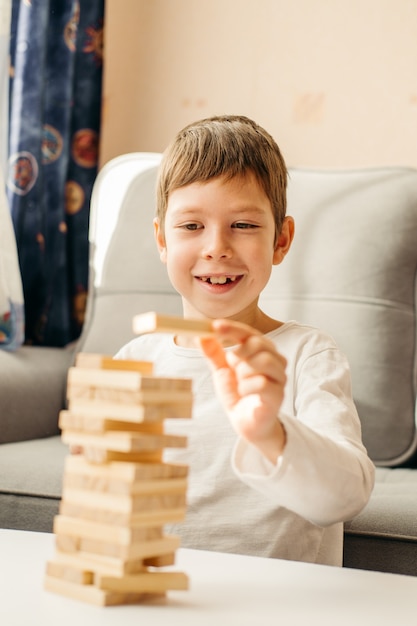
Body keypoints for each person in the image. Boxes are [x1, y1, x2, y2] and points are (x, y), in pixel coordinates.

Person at [115, 115, 375, 566]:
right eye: (191, 226)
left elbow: (346, 496)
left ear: (281, 239)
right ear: (161, 239)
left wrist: (269, 433)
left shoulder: (307, 356)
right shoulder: (135, 359)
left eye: (244, 225)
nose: (216, 247)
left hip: (276, 604)